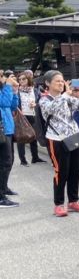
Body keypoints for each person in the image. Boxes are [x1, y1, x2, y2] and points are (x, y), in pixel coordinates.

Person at [38, 70, 79, 217]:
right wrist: (65, 95)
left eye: (62, 80)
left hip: (73, 137)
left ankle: (73, 201)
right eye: (57, 81)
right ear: (47, 83)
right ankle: (58, 204)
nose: (61, 83)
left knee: (75, 170)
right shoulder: (44, 100)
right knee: (61, 172)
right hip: (56, 140)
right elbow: (52, 108)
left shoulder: (68, 98)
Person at [16, 71, 45, 166]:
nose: (21, 81)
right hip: (22, 116)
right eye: (19, 79)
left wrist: (35, 104)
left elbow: (41, 101)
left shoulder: (35, 90)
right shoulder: (17, 91)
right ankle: (23, 160)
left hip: (33, 114)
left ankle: (35, 157)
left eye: (23, 79)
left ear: (29, 79)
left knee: (33, 136)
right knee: (21, 137)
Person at [0, 71, 20, 208]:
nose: (3, 78)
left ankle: (4, 187)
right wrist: (8, 87)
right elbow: (4, 102)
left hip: (7, 129)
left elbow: (12, 106)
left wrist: (14, 91)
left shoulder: (3, 89)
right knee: (4, 162)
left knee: (9, 160)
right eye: (1, 75)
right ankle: (1, 196)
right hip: (2, 130)